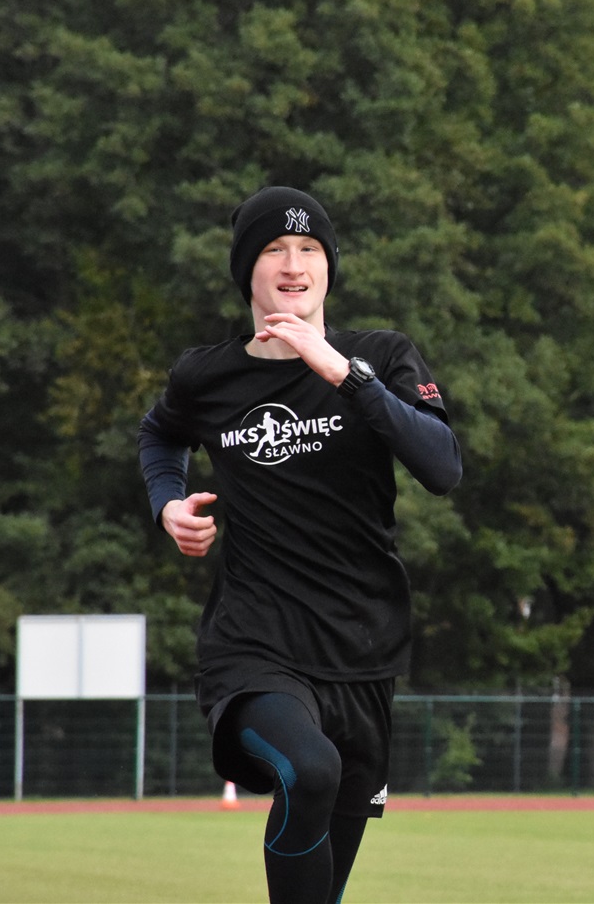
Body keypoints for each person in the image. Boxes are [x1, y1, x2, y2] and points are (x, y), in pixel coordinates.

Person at [138, 187, 462, 904]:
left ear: (328, 266)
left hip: (363, 652)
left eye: (309, 248)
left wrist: (343, 374)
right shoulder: (207, 375)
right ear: (245, 270)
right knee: (309, 771)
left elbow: (443, 467)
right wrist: (168, 504)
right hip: (255, 646)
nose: (294, 264)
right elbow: (160, 433)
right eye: (274, 250)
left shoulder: (379, 356)